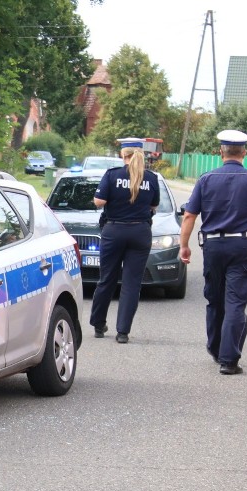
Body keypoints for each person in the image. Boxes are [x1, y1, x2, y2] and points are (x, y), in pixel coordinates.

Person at [178, 130, 247, 375]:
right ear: (244, 153)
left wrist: (184, 245)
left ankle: (216, 349)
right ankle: (228, 360)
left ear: (220, 152)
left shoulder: (206, 179)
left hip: (212, 247)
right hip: (242, 248)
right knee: (235, 303)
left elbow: (190, 215)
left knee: (214, 300)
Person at [89, 137, 160, 344]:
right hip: (140, 232)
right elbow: (154, 206)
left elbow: (99, 201)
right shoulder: (151, 178)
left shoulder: (112, 175)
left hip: (114, 231)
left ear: (123, 154)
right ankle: (123, 332)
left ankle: (98, 324)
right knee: (131, 283)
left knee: (107, 279)